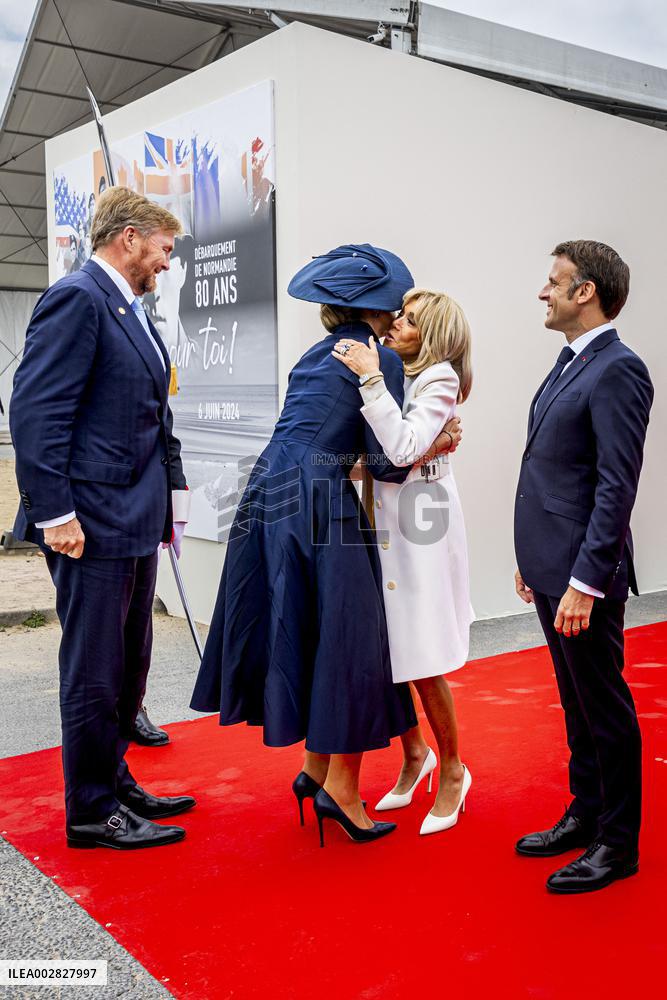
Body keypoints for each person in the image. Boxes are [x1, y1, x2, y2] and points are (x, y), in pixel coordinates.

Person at [191, 244, 459, 847]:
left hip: (269, 490)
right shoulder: (377, 360)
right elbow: (388, 463)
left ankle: (314, 772)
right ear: (378, 308)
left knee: (311, 629)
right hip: (319, 502)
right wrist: (439, 441)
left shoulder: (313, 356)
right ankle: (340, 789)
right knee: (350, 641)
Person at [10, 186, 195, 850]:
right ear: (130, 238)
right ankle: (91, 809)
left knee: (127, 663)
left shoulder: (128, 307)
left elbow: (152, 416)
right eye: (164, 249)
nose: (167, 262)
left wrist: (172, 498)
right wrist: (55, 513)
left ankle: (114, 779)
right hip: (88, 522)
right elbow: (37, 413)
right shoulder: (78, 299)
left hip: (134, 518)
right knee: (94, 669)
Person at [514, 240, 653, 893]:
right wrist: (532, 560)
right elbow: (551, 470)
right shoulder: (570, 362)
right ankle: (586, 812)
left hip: (582, 576)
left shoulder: (619, 370)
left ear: (585, 291)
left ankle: (617, 844)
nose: (543, 292)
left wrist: (585, 582)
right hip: (551, 565)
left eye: (554, 281)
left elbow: (614, 487)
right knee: (575, 703)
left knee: (603, 705)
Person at [332, 289, 473, 835]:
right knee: (389, 645)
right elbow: (383, 458)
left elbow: (399, 448)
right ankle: (416, 754)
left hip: (422, 526)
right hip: (385, 520)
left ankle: (454, 769)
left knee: (423, 652)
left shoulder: (439, 377)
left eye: (408, 320)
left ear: (431, 334)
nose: (393, 324)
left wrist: (371, 381)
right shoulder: (397, 374)